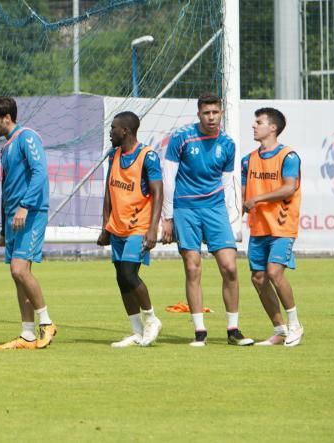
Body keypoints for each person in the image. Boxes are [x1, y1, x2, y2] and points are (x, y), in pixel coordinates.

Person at [160, 92, 253, 347]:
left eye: (215, 112)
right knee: (192, 267)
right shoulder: (181, 138)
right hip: (185, 209)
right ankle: (200, 331)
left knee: (230, 267)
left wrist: (232, 217)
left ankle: (233, 329)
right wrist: (167, 217)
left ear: (221, 113)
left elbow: (228, 182)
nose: (211, 117)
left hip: (214, 210)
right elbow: (168, 177)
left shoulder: (228, 143)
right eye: (206, 113)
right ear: (199, 114)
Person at [0, 96, 57, 350]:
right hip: (14, 217)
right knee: (18, 276)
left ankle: (46, 324)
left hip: (31, 213)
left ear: (7, 118)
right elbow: (6, 190)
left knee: (19, 270)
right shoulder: (6, 147)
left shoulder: (27, 137)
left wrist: (25, 205)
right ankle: (26, 334)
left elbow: (39, 171)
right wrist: (4, 226)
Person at [96, 111, 163, 348]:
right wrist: (106, 226)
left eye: (113, 128)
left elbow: (157, 193)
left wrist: (153, 229)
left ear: (125, 131)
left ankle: (152, 319)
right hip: (117, 227)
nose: (110, 132)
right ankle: (136, 331)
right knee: (120, 278)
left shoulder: (148, 156)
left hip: (140, 226)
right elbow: (108, 192)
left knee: (128, 273)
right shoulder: (113, 156)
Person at [241, 107, 304, 347]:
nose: (254, 126)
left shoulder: (289, 156)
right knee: (258, 278)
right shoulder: (248, 160)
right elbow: (244, 192)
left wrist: (257, 199)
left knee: (274, 273)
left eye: (258, 122)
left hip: (282, 226)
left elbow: (289, 187)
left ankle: (295, 324)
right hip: (258, 228)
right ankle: (280, 330)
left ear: (273, 128)